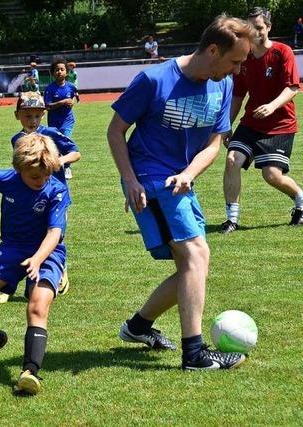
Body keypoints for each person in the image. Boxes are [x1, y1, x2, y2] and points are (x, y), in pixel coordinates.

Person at [106, 15, 255, 370]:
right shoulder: (154, 79)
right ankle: (195, 353)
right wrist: (130, 179)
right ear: (213, 49)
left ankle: (138, 326)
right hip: (150, 178)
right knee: (196, 255)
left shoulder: (222, 86)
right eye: (234, 62)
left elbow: (215, 142)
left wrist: (190, 172)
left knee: (194, 264)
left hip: (181, 179)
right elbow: (115, 131)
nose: (236, 71)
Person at [0, 132, 70, 395]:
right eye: (35, 176)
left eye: (46, 174)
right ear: (19, 168)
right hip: (10, 249)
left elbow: (55, 233)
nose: (42, 180)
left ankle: (30, 372)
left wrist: (38, 258)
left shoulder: (56, 190)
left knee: (37, 305)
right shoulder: (4, 179)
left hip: (47, 252)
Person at [0, 92, 80, 305]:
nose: (32, 121)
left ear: (43, 115)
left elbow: (76, 152)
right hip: (26, 196)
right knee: (22, 237)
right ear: (17, 116)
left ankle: (59, 268)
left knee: (53, 235)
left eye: (37, 116)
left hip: (54, 196)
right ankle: (9, 284)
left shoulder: (51, 134)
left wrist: (60, 160)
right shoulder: (17, 139)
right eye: (27, 116)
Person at [221, 7, 303, 233]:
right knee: (231, 160)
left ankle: (300, 198)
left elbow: (293, 87)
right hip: (251, 123)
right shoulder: (244, 58)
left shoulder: (282, 52)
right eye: (250, 28)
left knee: (272, 175)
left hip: (280, 125)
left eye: (259, 27)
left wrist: (272, 106)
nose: (255, 32)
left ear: (268, 27)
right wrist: (226, 125)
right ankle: (232, 219)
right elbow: (238, 95)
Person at [44, 58, 80, 179]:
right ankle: (58, 166)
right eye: (56, 70)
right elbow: (47, 106)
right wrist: (63, 102)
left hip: (67, 120)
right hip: (54, 121)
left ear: (66, 72)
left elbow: (75, 95)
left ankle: (67, 167)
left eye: (62, 69)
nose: (59, 72)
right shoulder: (50, 89)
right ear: (52, 73)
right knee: (56, 144)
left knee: (65, 139)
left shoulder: (71, 86)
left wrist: (73, 101)